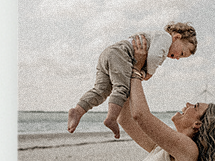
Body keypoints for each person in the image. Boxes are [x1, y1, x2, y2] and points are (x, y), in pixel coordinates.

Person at [68, 22, 199, 138]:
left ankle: (78, 110)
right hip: (122, 54)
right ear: (176, 37)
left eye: (180, 58)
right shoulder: (165, 39)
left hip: (109, 53)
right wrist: (149, 73)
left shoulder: (155, 37)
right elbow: (153, 57)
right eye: (181, 53)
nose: (177, 58)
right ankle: (111, 118)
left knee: (101, 90)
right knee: (122, 88)